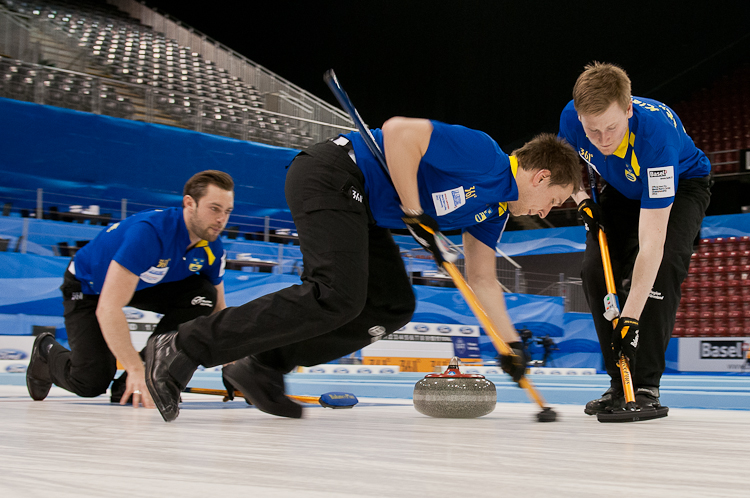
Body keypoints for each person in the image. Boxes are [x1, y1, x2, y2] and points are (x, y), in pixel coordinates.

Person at [143, 117, 582, 422]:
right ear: (541, 176)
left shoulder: (492, 213)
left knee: (391, 305)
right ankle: (183, 346)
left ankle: (261, 365)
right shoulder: (483, 155)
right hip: (332, 173)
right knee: (335, 294)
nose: (548, 211)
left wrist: (510, 345)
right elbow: (397, 133)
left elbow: (482, 279)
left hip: (365, 209)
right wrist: (412, 206)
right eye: (556, 199)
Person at [559, 62, 711, 414]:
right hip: (620, 189)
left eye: (611, 127)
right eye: (592, 131)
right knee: (595, 271)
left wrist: (629, 318)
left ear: (628, 109)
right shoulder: (571, 118)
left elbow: (653, 245)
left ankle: (645, 386)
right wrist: (582, 201)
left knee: (665, 264)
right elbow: (567, 168)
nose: (602, 139)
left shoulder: (656, 136)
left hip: (682, 185)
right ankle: (618, 383)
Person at [26, 170, 235, 409]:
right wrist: (135, 367)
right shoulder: (149, 234)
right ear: (189, 203)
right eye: (214, 209)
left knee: (204, 296)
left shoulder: (213, 247)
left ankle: (145, 378)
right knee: (90, 382)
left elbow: (218, 307)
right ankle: (46, 352)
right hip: (88, 287)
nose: (221, 219)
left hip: (144, 285)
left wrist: (231, 359)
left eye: (227, 211)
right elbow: (108, 307)